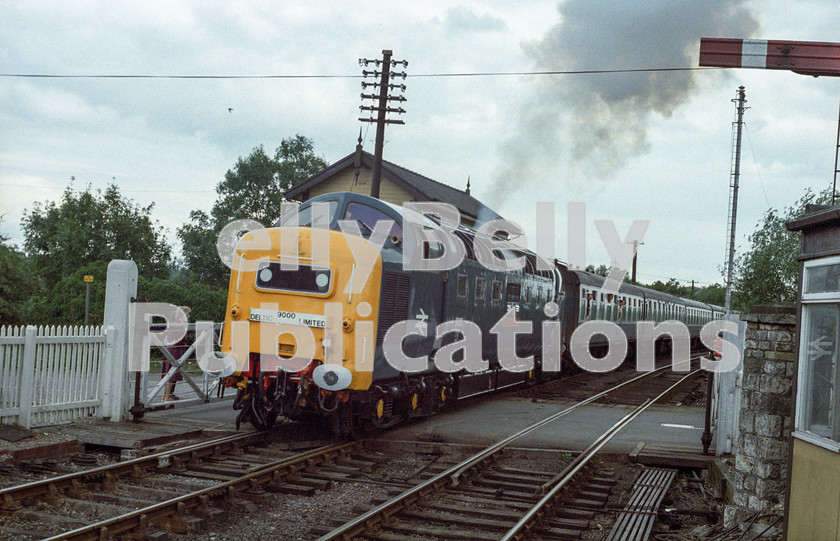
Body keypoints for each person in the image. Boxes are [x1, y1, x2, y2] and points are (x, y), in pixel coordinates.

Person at [162, 306, 191, 402]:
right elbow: (170, 335)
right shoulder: (178, 323)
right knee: (171, 373)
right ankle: (167, 396)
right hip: (174, 349)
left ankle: (168, 394)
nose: (188, 316)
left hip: (175, 348)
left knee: (172, 373)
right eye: (187, 314)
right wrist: (175, 341)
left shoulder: (180, 322)